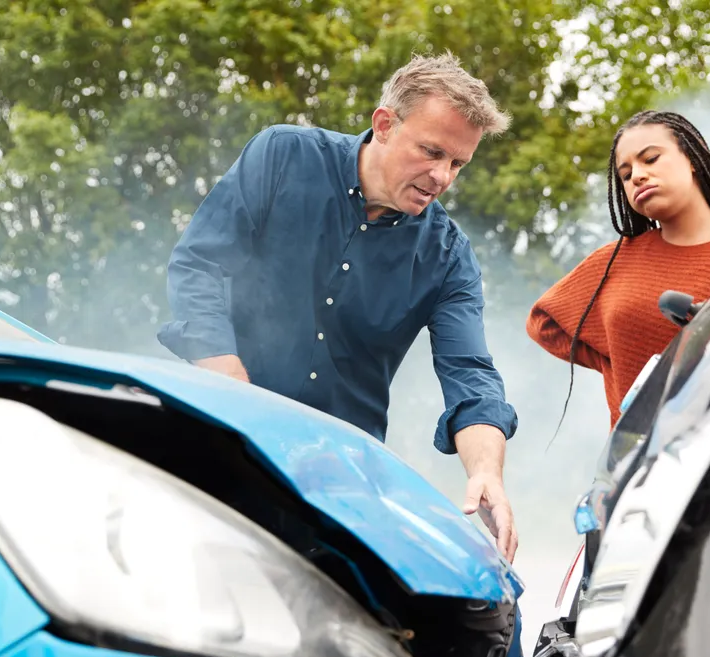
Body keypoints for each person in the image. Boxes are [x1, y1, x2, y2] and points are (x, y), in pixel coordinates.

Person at [157, 53, 520, 561]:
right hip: (216, 439)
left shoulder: (448, 256)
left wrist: (485, 472)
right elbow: (199, 265)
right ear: (385, 124)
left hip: (334, 488)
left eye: (457, 163)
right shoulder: (283, 155)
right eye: (432, 151)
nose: (442, 176)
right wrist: (236, 393)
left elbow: (471, 375)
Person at [526, 110, 710, 430]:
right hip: (640, 462)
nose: (638, 177)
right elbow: (544, 322)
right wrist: (619, 360)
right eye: (626, 175)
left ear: (693, 156)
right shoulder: (614, 261)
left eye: (651, 159)